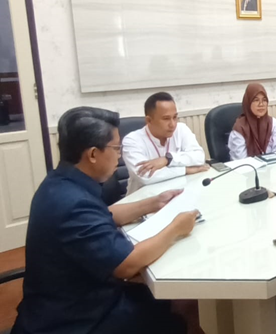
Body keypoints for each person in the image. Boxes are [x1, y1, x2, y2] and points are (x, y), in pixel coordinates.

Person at [11, 107, 198, 334]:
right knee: (181, 310)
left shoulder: (61, 182)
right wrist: (176, 228)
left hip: (76, 296)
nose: (119, 155)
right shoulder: (73, 203)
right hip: (76, 318)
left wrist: (153, 203)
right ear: (92, 154)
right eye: (116, 148)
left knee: (166, 297)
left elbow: (102, 214)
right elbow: (127, 265)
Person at [122, 92, 208, 194]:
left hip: (179, 192)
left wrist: (168, 159)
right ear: (149, 120)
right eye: (166, 119)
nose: (173, 124)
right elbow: (145, 176)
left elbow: (199, 157)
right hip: (144, 198)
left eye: (175, 117)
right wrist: (186, 170)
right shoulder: (132, 140)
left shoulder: (181, 129)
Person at [228, 83, 276, 160]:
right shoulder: (240, 128)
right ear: (248, 103)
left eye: (264, 100)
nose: (261, 104)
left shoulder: (273, 123)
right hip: (248, 166)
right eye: (256, 100)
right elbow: (241, 161)